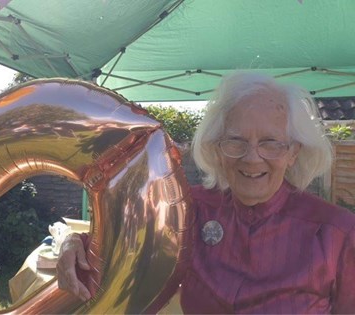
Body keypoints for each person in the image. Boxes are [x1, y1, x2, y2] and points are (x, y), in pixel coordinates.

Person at [56, 72, 355, 313]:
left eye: (271, 142)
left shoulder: (337, 234)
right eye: (235, 141)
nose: (252, 157)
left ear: (293, 153)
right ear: (216, 148)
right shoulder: (188, 209)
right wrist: (74, 243)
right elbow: (124, 243)